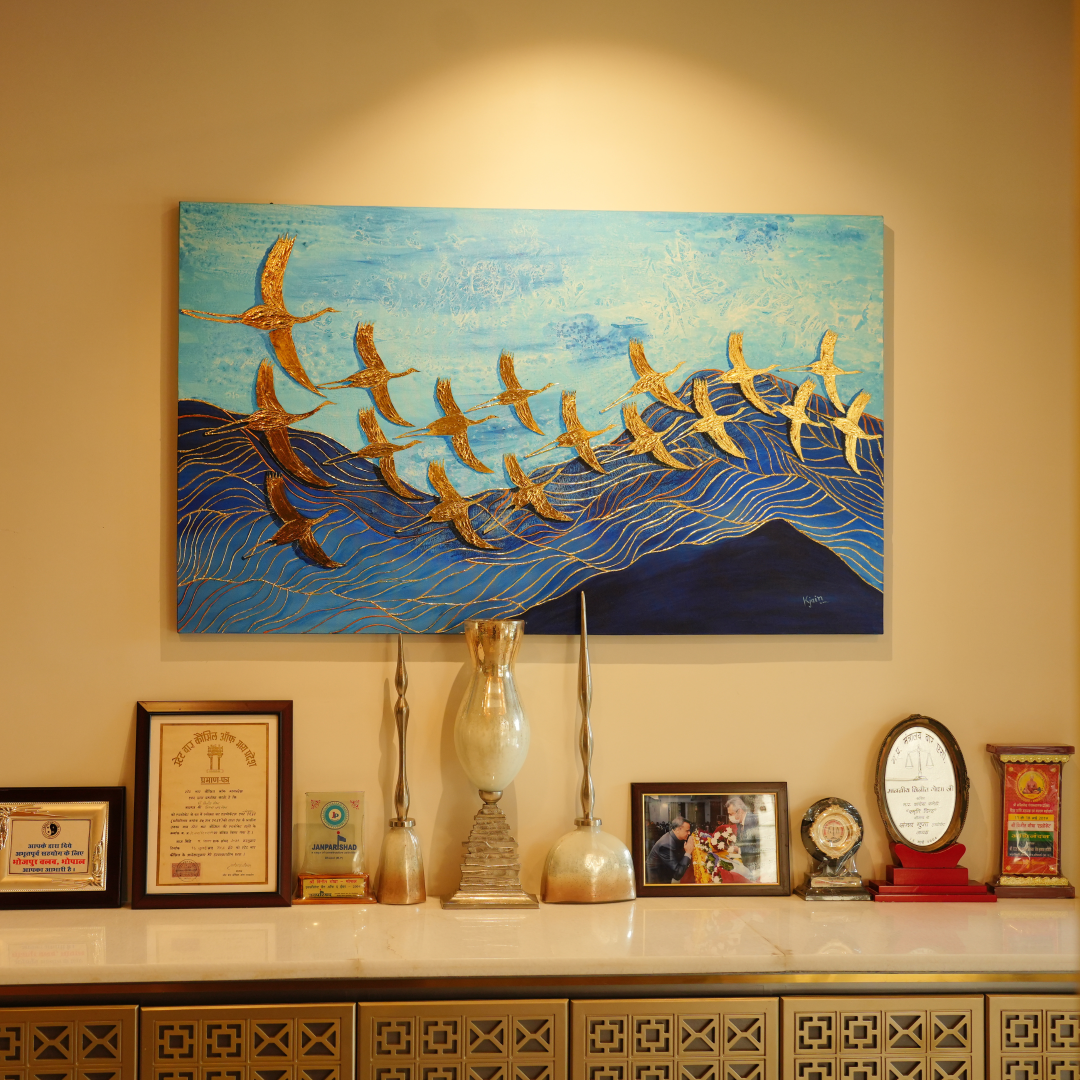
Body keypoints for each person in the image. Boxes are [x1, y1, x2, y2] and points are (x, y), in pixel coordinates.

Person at [645, 816, 696, 883]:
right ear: (678, 830)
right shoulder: (666, 845)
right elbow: (677, 874)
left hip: (665, 875)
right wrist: (688, 853)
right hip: (656, 881)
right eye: (687, 831)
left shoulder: (674, 837)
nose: (689, 833)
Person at [725, 796, 761, 879]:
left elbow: (758, 848)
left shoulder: (753, 821)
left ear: (740, 811)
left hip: (755, 870)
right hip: (745, 865)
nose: (729, 817)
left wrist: (739, 849)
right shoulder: (739, 823)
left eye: (730, 814)